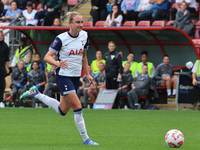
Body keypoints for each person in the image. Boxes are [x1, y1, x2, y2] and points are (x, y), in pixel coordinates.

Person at [20, 12, 99, 145]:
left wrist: (88, 73)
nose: (80, 25)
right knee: (77, 106)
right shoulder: (61, 39)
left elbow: (84, 56)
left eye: (82, 22)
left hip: (75, 76)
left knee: (63, 110)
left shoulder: (84, 36)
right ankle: (86, 139)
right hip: (63, 76)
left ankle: (36, 94)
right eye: (77, 22)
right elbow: (47, 56)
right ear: (70, 23)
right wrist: (57, 63)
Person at [0, 31, 10, 108]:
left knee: (1, 85)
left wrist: (7, 67)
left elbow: (7, 58)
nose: (0, 37)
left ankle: (0, 101)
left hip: (1, 67)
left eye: (1, 35)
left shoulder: (5, 46)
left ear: (3, 36)